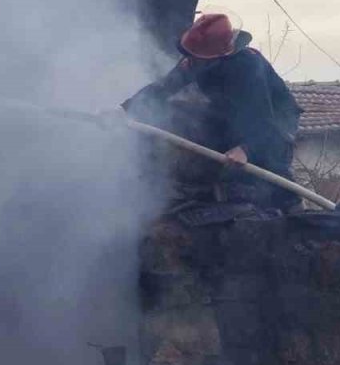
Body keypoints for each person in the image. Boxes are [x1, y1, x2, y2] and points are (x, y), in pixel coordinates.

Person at [122, 13, 304, 224]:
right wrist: (125, 109)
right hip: (232, 110)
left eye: (195, 58)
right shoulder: (196, 58)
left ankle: (293, 207)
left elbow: (264, 120)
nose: (189, 62)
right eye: (188, 55)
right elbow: (162, 89)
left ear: (218, 56)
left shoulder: (247, 68)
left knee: (270, 157)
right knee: (192, 122)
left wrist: (246, 149)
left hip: (276, 119)